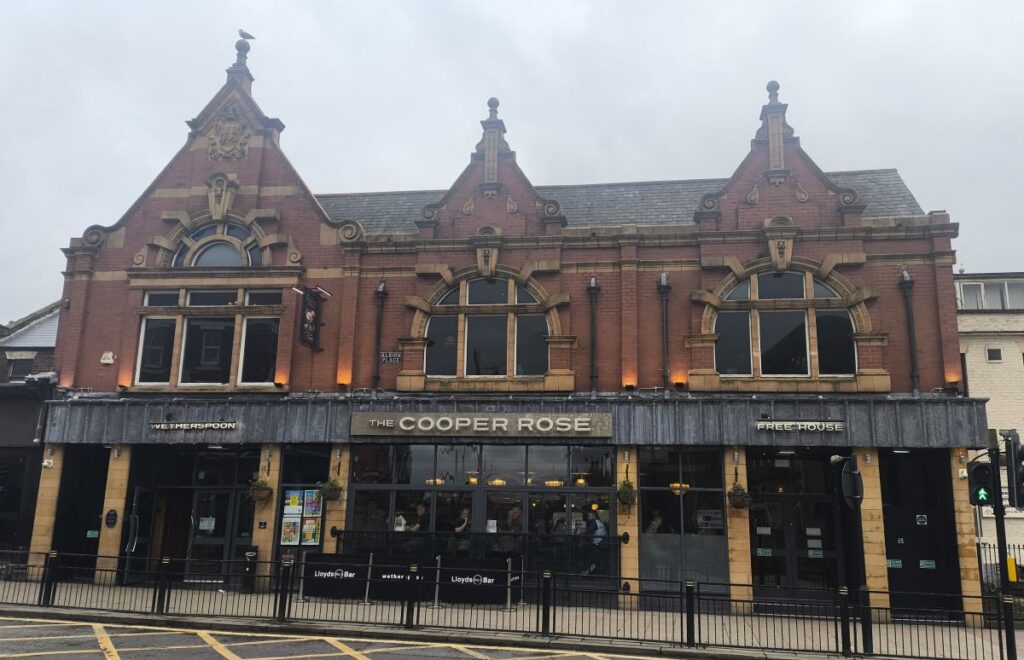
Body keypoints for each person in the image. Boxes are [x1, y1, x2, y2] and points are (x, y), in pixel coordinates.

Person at [580, 510, 607, 575]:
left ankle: (590, 571)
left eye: (589, 516)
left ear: (593, 516)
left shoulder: (595, 523)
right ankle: (590, 570)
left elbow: (588, 532)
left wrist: (580, 533)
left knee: (589, 555)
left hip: (598, 545)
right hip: (601, 543)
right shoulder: (598, 522)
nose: (588, 518)